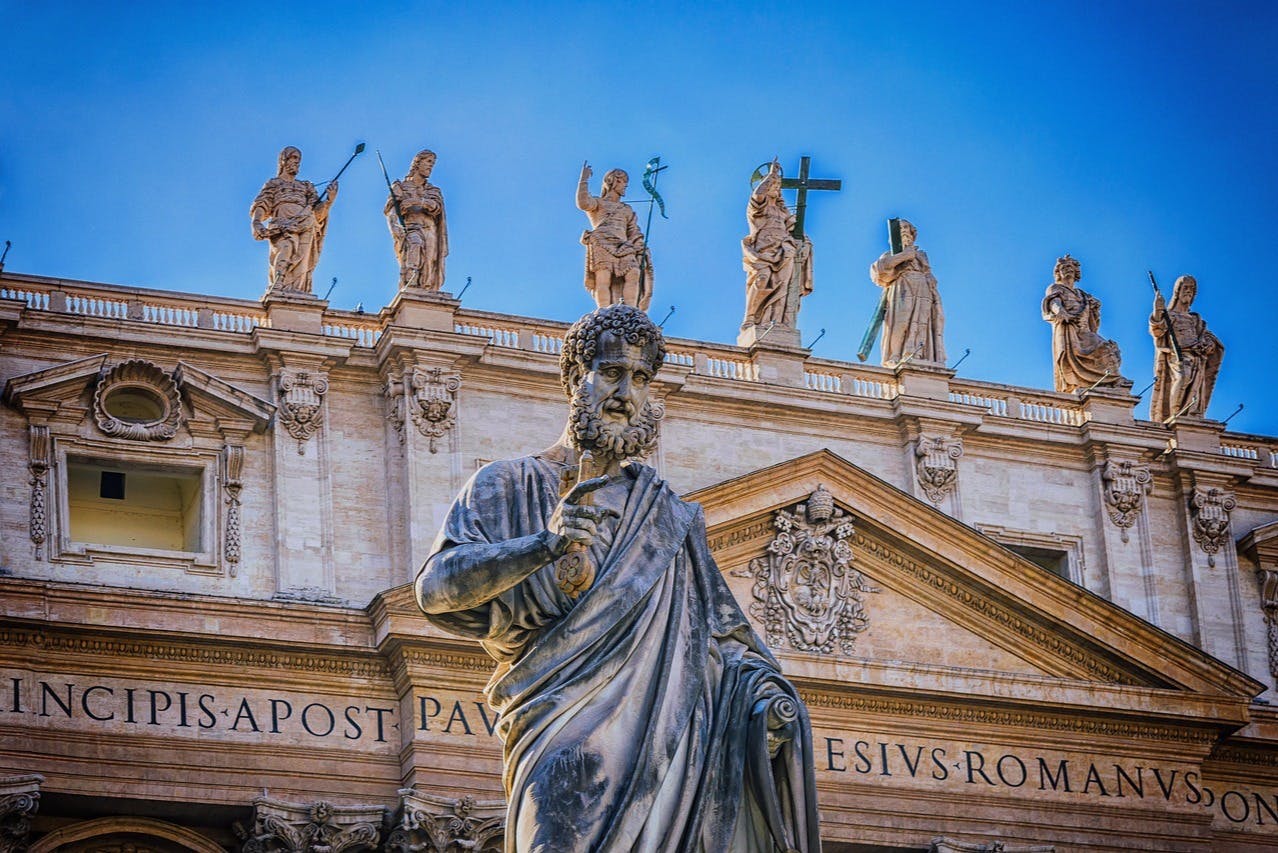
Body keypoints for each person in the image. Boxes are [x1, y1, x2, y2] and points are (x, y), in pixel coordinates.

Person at [416, 305, 820, 852]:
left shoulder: (670, 519)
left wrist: (763, 700)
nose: (626, 393)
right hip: (558, 731)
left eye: (641, 378)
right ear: (573, 380)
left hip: (667, 750)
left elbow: (723, 645)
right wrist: (543, 544)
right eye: (611, 373)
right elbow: (435, 590)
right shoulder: (511, 484)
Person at [250, 147, 336, 295]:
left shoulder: (306, 186)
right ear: (284, 160)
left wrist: (329, 200)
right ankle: (278, 287)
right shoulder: (274, 183)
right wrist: (256, 222)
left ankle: (297, 292)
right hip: (282, 224)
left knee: (302, 260)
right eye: (294, 158)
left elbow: (317, 211)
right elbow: (262, 204)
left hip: (305, 224)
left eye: (299, 160)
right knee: (286, 248)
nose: (297, 162)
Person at [742, 159, 812, 331]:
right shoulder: (757, 209)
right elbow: (758, 195)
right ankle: (751, 318)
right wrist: (772, 175)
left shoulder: (783, 212)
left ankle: (778, 322)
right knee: (762, 279)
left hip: (784, 251)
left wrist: (806, 244)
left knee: (784, 286)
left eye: (777, 185)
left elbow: (798, 231)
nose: (776, 187)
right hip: (762, 252)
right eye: (773, 184)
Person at [1041, 254, 1125, 393]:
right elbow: (1053, 302)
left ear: (1076, 273)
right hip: (1069, 327)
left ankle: (1114, 379)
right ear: (1058, 272)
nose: (1068, 270)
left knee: (1108, 348)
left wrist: (1095, 308)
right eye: (1064, 267)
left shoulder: (1082, 294)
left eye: (1071, 268)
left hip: (1084, 330)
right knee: (1076, 355)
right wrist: (1061, 312)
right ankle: (1083, 382)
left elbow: (1093, 319)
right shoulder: (1055, 288)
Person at [576, 163, 652, 310]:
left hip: (624, 246)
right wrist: (583, 179)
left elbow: (633, 231)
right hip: (601, 241)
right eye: (623, 183)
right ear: (613, 181)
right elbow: (583, 203)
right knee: (603, 277)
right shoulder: (599, 203)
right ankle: (603, 312)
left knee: (634, 272)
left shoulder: (627, 209)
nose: (625, 187)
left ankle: (630, 310)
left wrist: (639, 245)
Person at [869, 219, 945, 365]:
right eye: (900, 229)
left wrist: (931, 281)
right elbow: (878, 271)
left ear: (912, 233)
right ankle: (895, 355)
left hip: (923, 288)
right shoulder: (889, 255)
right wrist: (903, 256)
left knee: (922, 322)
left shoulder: (921, 255)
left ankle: (918, 354)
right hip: (902, 286)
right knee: (901, 321)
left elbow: (929, 273)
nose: (903, 230)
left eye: (906, 228)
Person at [1149, 274, 1223, 421]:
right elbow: (1157, 330)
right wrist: (1157, 310)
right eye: (1186, 288)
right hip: (1176, 356)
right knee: (1183, 377)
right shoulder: (1168, 315)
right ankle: (1174, 416)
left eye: (1192, 289)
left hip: (1196, 356)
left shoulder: (1195, 319)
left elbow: (1208, 337)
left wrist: (1208, 343)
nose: (1189, 291)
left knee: (1193, 389)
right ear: (1177, 291)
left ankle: (1189, 416)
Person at [386, 150, 448, 292]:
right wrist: (398, 217)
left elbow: (436, 207)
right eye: (428, 162)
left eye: (433, 163)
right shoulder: (400, 187)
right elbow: (391, 210)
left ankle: (426, 291)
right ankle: (410, 283)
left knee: (429, 263)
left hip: (430, 229)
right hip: (411, 227)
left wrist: (417, 201)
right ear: (417, 163)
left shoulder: (433, 190)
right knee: (415, 245)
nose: (430, 166)